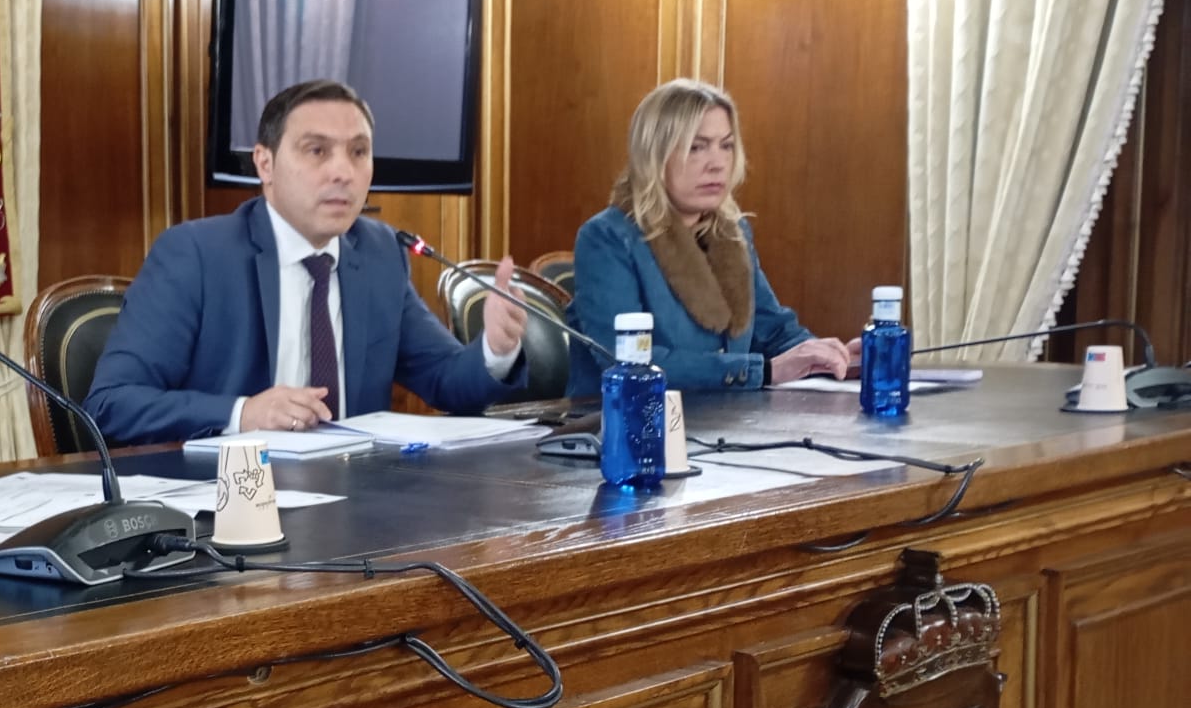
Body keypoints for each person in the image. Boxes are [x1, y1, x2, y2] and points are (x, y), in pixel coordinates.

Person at [85, 79, 527, 445]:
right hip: (232, 503)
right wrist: (244, 413)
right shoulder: (196, 255)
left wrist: (495, 349)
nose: (343, 172)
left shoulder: (379, 253)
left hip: (361, 500)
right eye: (317, 151)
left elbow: (445, 379)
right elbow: (111, 404)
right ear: (265, 164)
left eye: (359, 152)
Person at [567, 79, 851, 396]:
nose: (717, 164)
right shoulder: (607, 238)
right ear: (654, 155)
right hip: (625, 419)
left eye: (726, 146)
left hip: (724, 419)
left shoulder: (732, 233)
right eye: (696, 147)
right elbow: (629, 362)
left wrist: (832, 357)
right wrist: (763, 371)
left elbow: (772, 332)